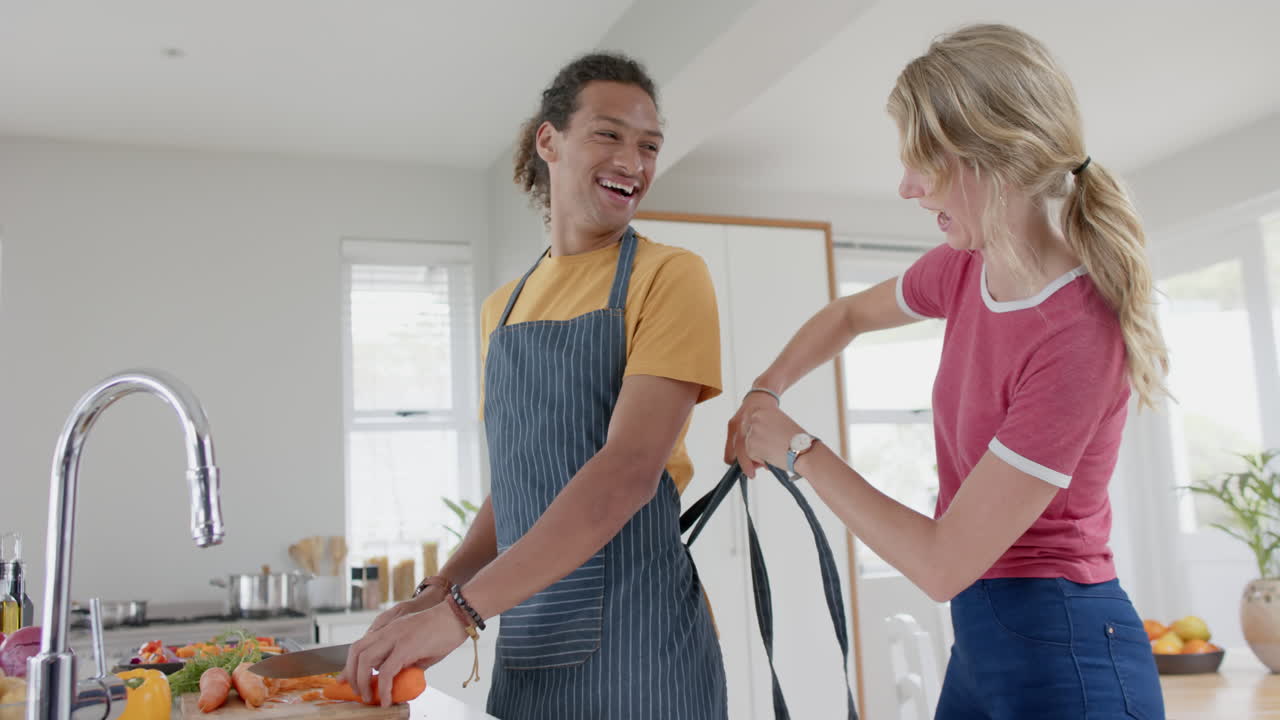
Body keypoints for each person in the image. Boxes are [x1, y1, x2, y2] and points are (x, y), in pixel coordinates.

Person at [728, 24, 1168, 719]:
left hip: (1065, 655)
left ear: (994, 159)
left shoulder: (1077, 333)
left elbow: (940, 564)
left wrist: (798, 449)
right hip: (987, 635)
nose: (905, 187)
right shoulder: (968, 267)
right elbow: (846, 316)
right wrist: (765, 390)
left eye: (923, 164)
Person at [341, 52, 728, 718]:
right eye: (609, 134)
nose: (633, 161)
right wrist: (434, 596)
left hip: (645, 646)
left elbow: (629, 471)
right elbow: (520, 482)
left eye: (649, 145)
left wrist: (459, 612)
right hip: (527, 641)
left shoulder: (669, 275)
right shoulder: (504, 308)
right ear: (548, 140)